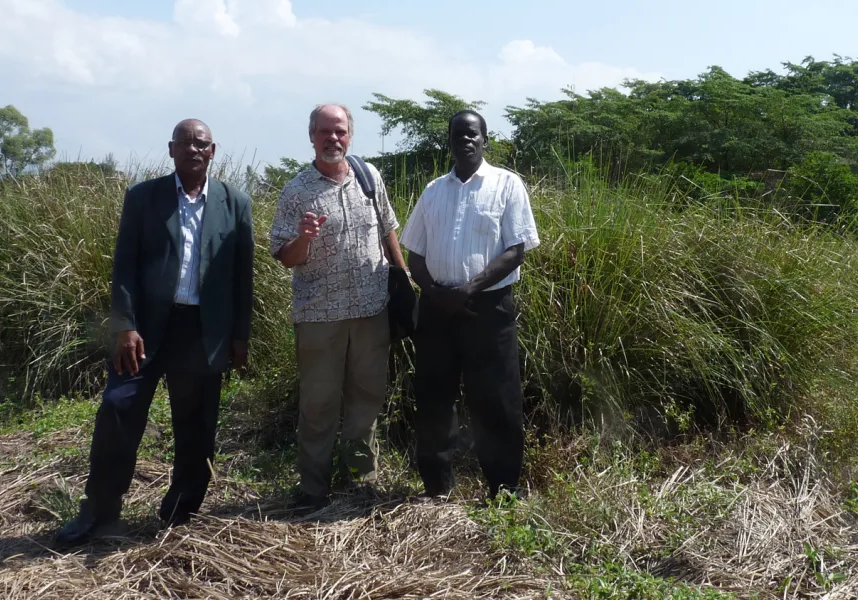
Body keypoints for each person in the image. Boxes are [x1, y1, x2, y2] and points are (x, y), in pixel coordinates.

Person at [55, 119, 255, 545]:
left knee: (197, 425)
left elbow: (243, 276)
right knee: (117, 410)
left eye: (201, 144)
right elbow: (124, 266)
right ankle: (99, 509)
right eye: (185, 143)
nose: (193, 149)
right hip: (144, 332)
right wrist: (124, 325)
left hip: (203, 331)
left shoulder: (234, 202)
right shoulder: (144, 198)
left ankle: (181, 511)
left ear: (213, 151)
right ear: (171, 150)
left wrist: (240, 337)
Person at [269, 103, 406, 510]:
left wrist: (403, 279)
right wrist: (304, 239)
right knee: (319, 403)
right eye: (325, 132)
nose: (334, 139)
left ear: (350, 136)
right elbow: (284, 256)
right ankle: (313, 489)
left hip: (370, 309)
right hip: (319, 314)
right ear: (311, 136)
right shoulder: (296, 191)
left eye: (340, 131)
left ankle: (361, 484)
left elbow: (388, 229)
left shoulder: (369, 176)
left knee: (366, 398)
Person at [399, 109, 539, 500]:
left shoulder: (507, 185)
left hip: (488, 310)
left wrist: (469, 289)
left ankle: (503, 490)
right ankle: (437, 488)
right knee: (433, 397)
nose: (466, 140)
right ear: (449, 141)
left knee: (496, 398)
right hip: (436, 309)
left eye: (473, 134)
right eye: (458, 134)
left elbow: (515, 251)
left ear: (485, 140)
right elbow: (415, 255)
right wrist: (436, 293)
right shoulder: (433, 191)